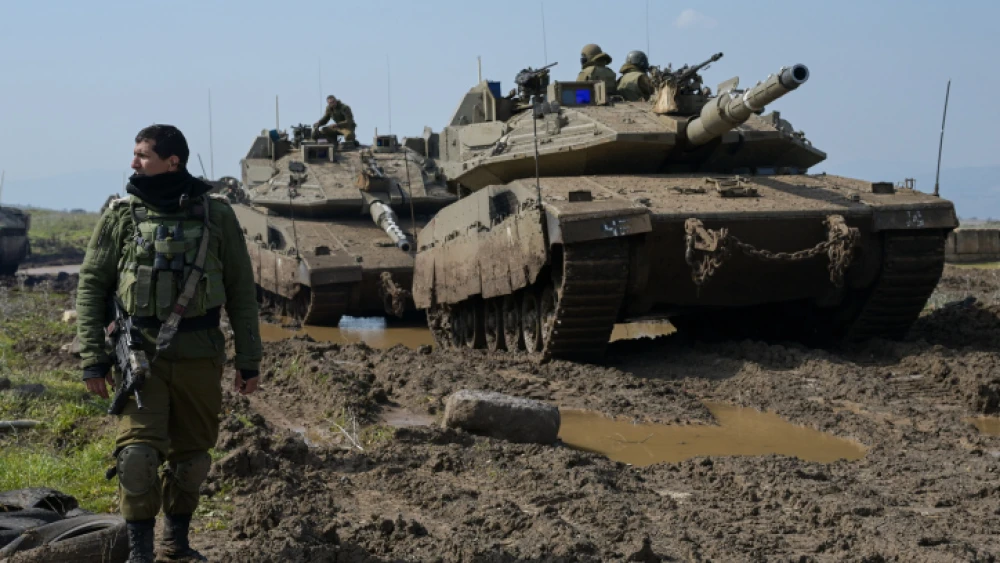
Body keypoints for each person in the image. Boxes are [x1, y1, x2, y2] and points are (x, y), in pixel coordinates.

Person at [77, 124, 262, 562]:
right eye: (136, 154)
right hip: (141, 356)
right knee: (138, 456)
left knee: (193, 460)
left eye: (142, 154)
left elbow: (240, 289)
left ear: (172, 161)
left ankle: (175, 543)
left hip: (201, 352)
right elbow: (91, 286)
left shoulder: (217, 215)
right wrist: (93, 358)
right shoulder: (121, 215)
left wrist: (249, 359)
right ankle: (141, 553)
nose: (134, 162)